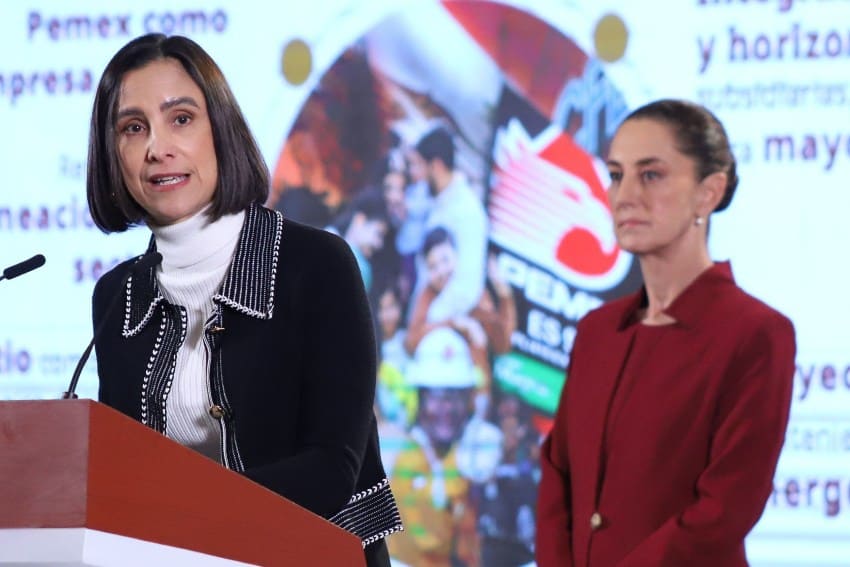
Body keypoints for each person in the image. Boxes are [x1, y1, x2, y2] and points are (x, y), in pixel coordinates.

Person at [85, 33, 402, 566]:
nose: (157, 147)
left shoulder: (316, 265)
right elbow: (124, 476)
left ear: (221, 131)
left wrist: (176, 510)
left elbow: (330, 469)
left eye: (180, 118)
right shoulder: (117, 297)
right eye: (133, 127)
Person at [536, 99, 796, 567]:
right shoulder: (597, 331)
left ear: (709, 192)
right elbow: (559, 474)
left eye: (650, 175)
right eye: (616, 175)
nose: (625, 195)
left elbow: (724, 509)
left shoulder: (756, 334)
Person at [388, 327, 502, 567]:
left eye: (456, 397)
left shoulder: (466, 452)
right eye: (438, 397)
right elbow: (431, 540)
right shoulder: (401, 456)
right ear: (420, 398)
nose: (447, 410)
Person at [409, 127, 488, 323]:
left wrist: (428, 322)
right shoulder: (435, 199)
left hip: (443, 334)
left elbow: (467, 287)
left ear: (435, 166)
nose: (415, 174)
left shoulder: (468, 211)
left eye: (419, 165)